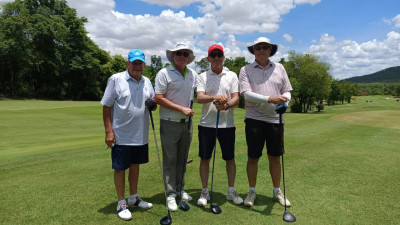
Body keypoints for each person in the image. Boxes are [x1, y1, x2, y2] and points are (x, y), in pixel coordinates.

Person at [101, 49, 155, 221]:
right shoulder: (116, 79)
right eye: (134, 63)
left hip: (140, 134)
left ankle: (133, 197)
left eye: (140, 63)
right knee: (120, 168)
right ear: (128, 63)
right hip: (121, 134)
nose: (137, 66)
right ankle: (121, 202)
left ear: (144, 65)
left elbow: (151, 102)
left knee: (135, 165)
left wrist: (153, 105)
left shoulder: (147, 81)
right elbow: (106, 106)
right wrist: (109, 131)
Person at [238, 37, 293, 207]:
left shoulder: (280, 68)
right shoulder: (245, 69)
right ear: (253, 50)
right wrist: (270, 99)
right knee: (253, 157)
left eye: (265, 47)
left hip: (275, 120)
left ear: (270, 50)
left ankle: (277, 191)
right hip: (254, 118)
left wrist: (285, 102)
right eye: (258, 47)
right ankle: (251, 191)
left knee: (275, 157)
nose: (261, 49)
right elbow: (246, 94)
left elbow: (287, 90)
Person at [196, 44, 243, 206]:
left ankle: (231, 191)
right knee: (205, 158)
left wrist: (227, 105)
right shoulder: (202, 76)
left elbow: (236, 98)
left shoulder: (231, 75)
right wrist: (216, 97)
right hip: (206, 124)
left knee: (229, 158)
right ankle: (204, 191)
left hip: (227, 124)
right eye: (213, 55)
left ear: (223, 57)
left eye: (219, 55)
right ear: (208, 58)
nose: (216, 58)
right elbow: (199, 98)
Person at [154, 43, 198, 211]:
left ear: (188, 57)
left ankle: (180, 189)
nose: (182, 56)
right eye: (178, 53)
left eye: (185, 53)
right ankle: (171, 194)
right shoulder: (164, 73)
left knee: (182, 160)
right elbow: (158, 97)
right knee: (170, 160)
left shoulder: (192, 74)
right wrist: (181, 109)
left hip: (187, 124)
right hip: (169, 122)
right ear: (173, 55)